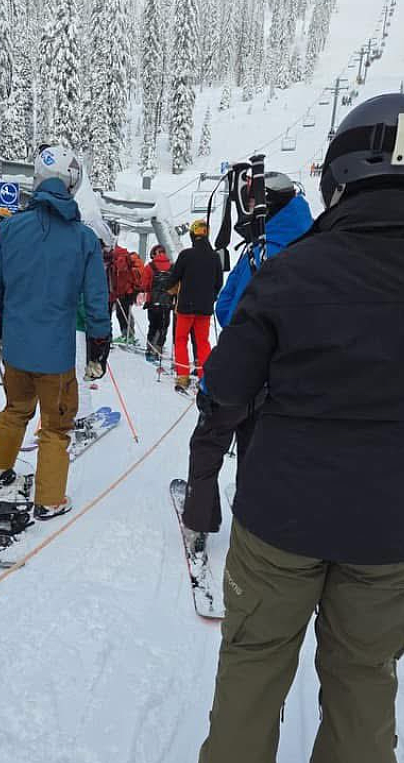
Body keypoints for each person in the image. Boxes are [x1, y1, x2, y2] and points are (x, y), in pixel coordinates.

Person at [192, 95, 404, 763]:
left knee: (253, 663)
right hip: (394, 522)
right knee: (364, 674)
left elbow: (225, 387)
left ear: (345, 169)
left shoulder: (291, 271)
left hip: (281, 513)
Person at [181, 173, 313, 552]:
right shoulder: (315, 246)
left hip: (238, 372)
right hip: (283, 379)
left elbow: (228, 309)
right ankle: (252, 526)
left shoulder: (262, 250)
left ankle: (199, 523)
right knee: (256, 452)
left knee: (208, 445)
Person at [0, 144, 111, 520]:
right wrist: (99, 345)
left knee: (16, 408)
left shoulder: (8, 229)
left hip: (17, 349)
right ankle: (49, 497)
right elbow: (96, 300)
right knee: (55, 425)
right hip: (55, 356)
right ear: (71, 184)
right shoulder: (83, 239)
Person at [165, 219, 223, 390]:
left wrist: (169, 290)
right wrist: (209, 298)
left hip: (185, 307)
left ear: (192, 235)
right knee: (203, 342)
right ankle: (204, 376)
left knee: (181, 340)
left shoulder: (186, 255)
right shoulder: (214, 257)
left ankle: (182, 376)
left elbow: (173, 278)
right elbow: (218, 283)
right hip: (205, 309)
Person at [140, 243, 173, 363]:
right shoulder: (172, 266)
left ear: (154, 254)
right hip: (167, 302)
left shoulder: (150, 267)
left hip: (153, 302)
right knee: (163, 326)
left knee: (153, 326)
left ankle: (149, 350)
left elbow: (144, 284)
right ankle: (158, 349)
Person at [106, 240, 143, 343]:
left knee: (121, 313)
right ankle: (129, 335)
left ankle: (126, 335)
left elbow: (118, 276)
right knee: (125, 312)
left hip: (122, 291)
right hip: (130, 290)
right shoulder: (126, 255)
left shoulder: (115, 256)